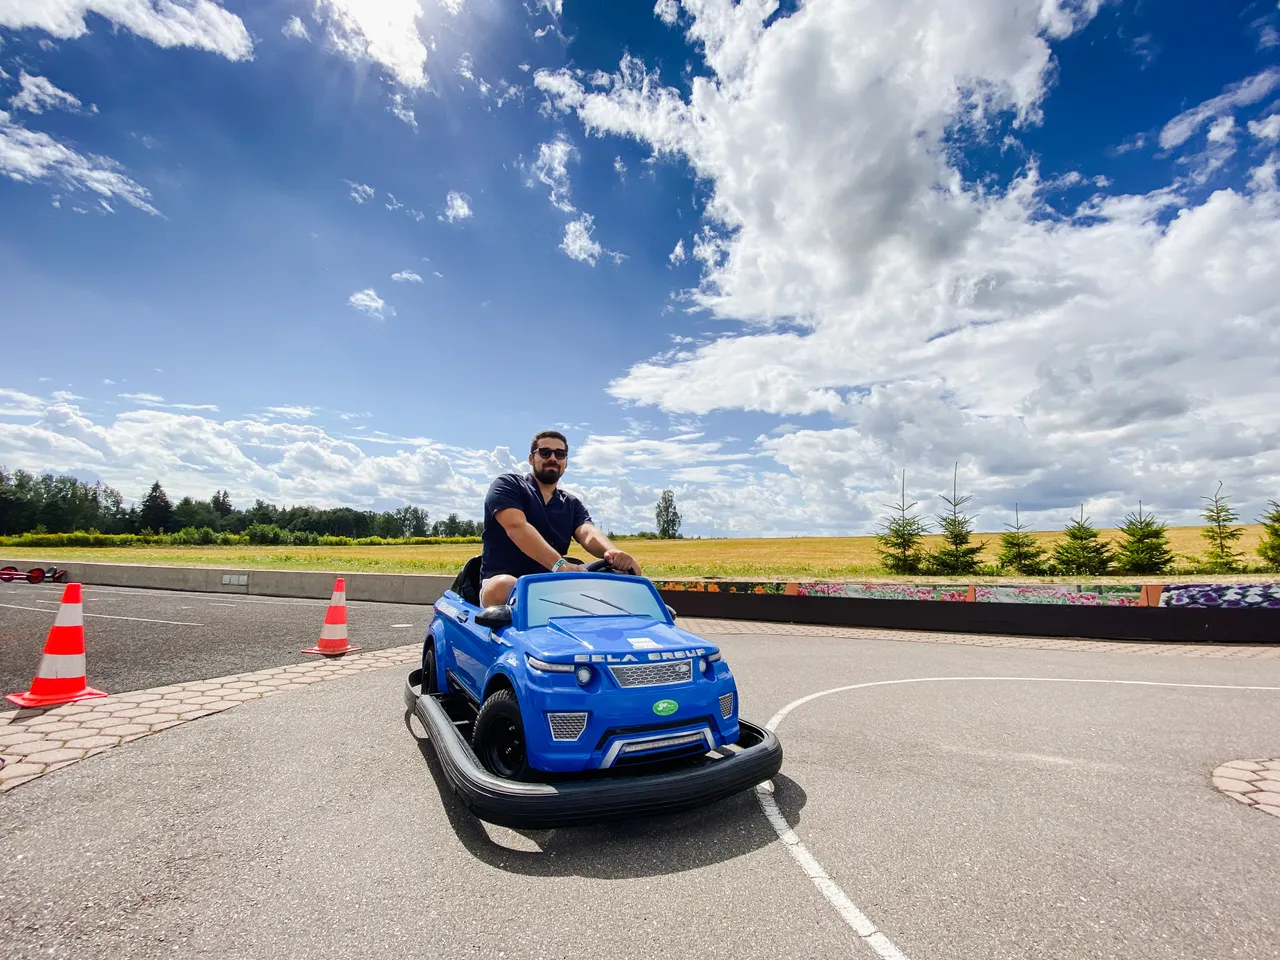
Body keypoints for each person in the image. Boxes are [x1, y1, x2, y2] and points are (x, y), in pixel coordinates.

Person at [478, 430, 641, 607]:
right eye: (545, 452)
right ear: (531, 459)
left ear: (566, 461)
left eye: (560, 454)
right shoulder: (508, 485)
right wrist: (560, 565)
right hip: (508, 581)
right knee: (505, 586)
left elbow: (587, 532)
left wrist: (613, 553)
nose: (553, 458)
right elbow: (517, 528)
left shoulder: (571, 502)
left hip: (555, 584)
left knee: (631, 571)